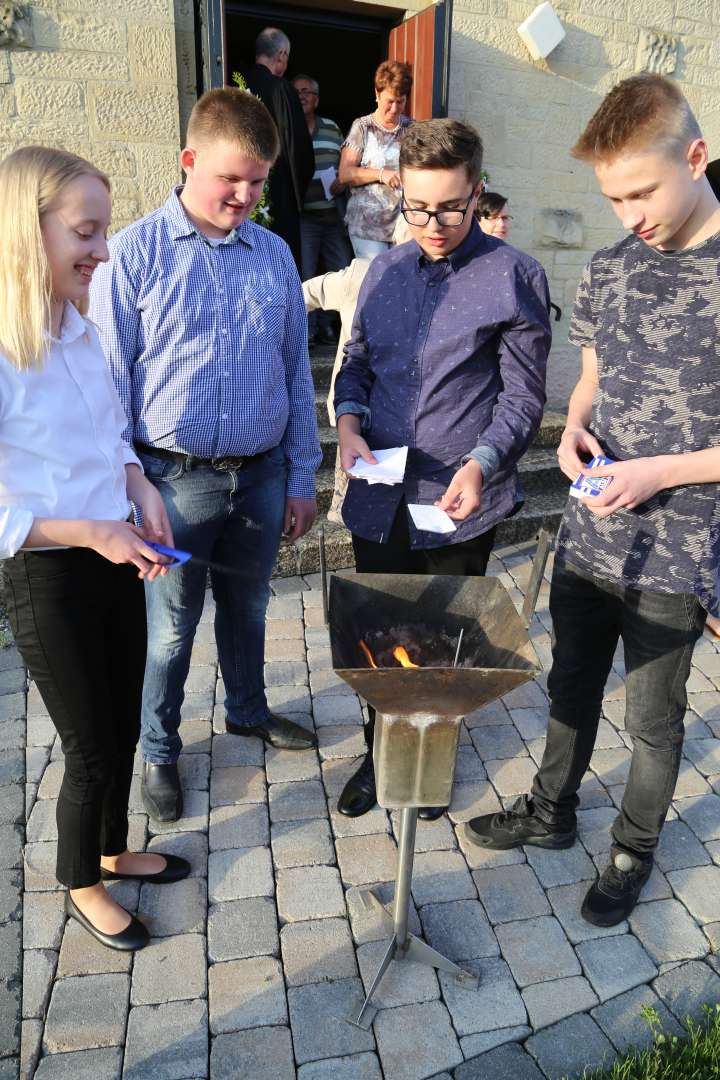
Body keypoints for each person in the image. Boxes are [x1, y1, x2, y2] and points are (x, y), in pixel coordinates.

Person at [466, 74, 720, 928]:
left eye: (642, 191)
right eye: (612, 197)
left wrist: (660, 472)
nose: (630, 215)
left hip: (680, 546)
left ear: (697, 155)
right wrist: (570, 427)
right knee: (570, 685)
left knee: (652, 719)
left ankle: (633, 848)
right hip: (590, 529)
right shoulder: (611, 266)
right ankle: (550, 812)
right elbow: (591, 377)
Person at [90, 88, 322, 826]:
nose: (247, 195)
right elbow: (105, 388)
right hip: (170, 482)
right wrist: (123, 490)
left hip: (258, 477)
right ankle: (158, 748)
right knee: (170, 630)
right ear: (189, 160)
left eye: (259, 181)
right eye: (232, 179)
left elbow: (294, 369)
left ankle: (247, 712)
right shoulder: (131, 255)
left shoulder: (275, 254)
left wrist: (301, 473)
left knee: (250, 610)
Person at [0, 146, 191, 952]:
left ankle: (115, 847)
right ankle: (82, 879)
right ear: (25, 231)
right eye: (86, 231)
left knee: (118, 721)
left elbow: (108, 434)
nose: (104, 251)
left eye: (104, 230)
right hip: (49, 576)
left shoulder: (77, 327)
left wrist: (138, 486)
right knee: (85, 744)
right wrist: (91, 529)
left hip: (114, 553)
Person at [333, 118, 552, 819]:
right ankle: (378, 757)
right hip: (380, 491)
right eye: (417, 207)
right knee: (378, 639)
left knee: (441, 645)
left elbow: (522, 395)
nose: (432, 224)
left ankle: (428, 765)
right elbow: (358, 360)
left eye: (451, 209)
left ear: (477, 191)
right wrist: (346, 421)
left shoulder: (515, 278)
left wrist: (484, 463)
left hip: (460, 498)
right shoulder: (387, 271)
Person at [302, 217, 413, 523]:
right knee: (350, 501)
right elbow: (303, 294)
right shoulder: (362, 275)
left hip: (404, 412)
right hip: (356, 407)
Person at [245, 27, 314, 272]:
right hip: (278, 195)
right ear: (282, 55)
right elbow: (299, 151)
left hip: (240, 197)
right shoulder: (281, 89)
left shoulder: (234, 86)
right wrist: (298, 195)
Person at [292, 73, 351, 347]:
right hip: (305, 217)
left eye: (307, 92)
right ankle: (309, 330)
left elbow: (347, 163)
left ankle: (332, 328)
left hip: (332, 214)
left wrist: (342, 178)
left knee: (341, 271)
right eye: (297, 92)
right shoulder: (289, 127)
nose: (302, 96)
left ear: (316, 99)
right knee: (306, 273)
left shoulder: (331, 127)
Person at [339, 60, 413, 260]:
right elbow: (345, 173)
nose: (395, 108)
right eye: (390, 101)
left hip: (403, 223)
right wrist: (381, 174)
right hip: (367, 225)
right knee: (377, 282)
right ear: (377, 94)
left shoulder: (411, 129)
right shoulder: (362, 127)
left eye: (401, 101)